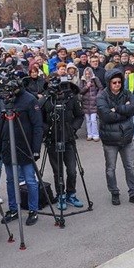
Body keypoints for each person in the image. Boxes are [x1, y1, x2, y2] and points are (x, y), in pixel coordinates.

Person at [0, 78, 43, 225]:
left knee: (30, 180)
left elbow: (37, 126)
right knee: (10, 180)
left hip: (25, 146)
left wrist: (36, 148)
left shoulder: (29, 99)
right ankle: (13, 209)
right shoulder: (4, 101)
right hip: (7, 146)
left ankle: (33, 210)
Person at [95, 70, 134, 206]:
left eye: (119, 82)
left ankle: (133, 193)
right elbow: (106, 116)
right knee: (110, 168)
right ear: (109, 83)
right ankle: (114, 192)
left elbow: (133, 108)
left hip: (127, 137)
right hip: (110, 140)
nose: (117, 84)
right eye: (114, 82)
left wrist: (116, 109)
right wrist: (124, 111)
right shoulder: (101, 97)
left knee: (130, 167)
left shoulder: (127, 93)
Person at [43, 77, 84, 210]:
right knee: (58, 171)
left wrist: (72, 129)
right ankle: (60, 195)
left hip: (69, 140)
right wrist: (47, 130)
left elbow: (80, 115)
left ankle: (71, 194)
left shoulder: (71, 98)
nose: (60, 91)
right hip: (52, 140)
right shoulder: (46, 100)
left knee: (72, 171)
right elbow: (39, 120)